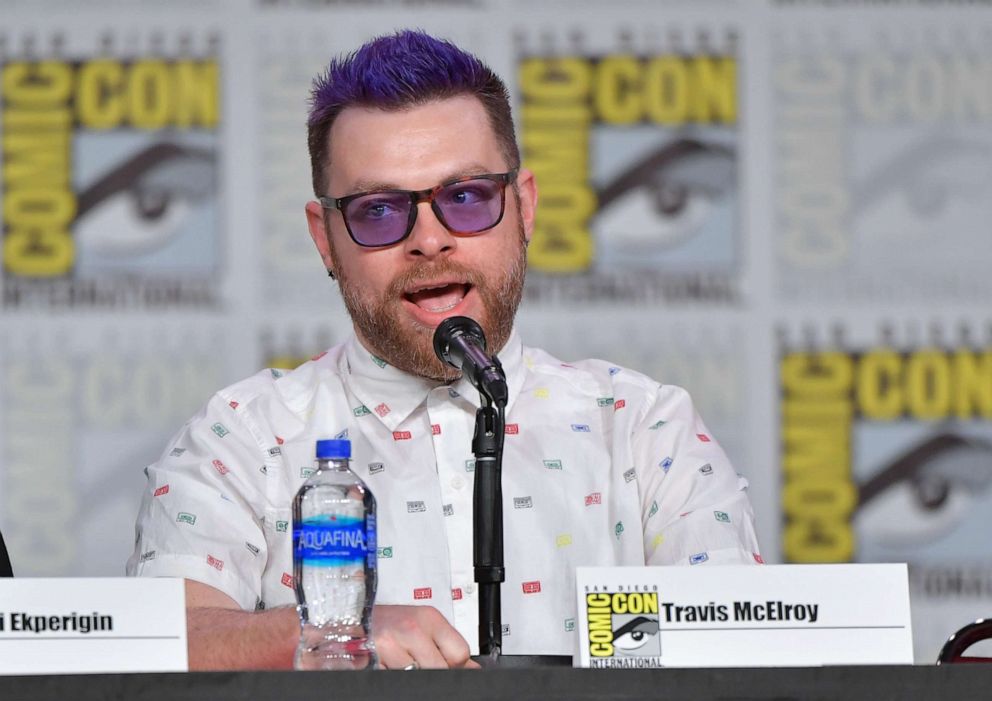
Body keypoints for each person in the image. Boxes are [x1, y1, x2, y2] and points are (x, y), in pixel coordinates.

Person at [127, 29, 760, 670]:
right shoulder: (242, 436)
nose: (429, 241)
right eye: (378, 211)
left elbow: (745, 653)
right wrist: (333, 633)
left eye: (465, 198)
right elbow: (150, 648)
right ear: (325, 240)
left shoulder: (643, 426)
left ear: (525, 208)